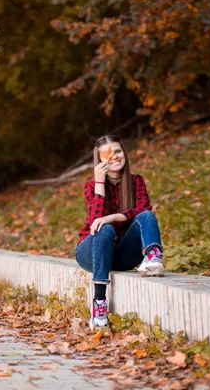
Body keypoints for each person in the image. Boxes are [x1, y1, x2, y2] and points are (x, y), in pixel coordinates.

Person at [75, 135, 164, 329]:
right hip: (91, 252)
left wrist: (113, 216)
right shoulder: (91, 186)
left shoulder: (136, 181)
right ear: (100, 161)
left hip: (123, 254)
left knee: (147, 215)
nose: (114, 156)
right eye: (108, 154)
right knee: (104, 228)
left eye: (117, 151)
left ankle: (154, 258)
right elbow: (95, 222)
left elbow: (142, 210)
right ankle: (99, 304)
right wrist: (100, 184)